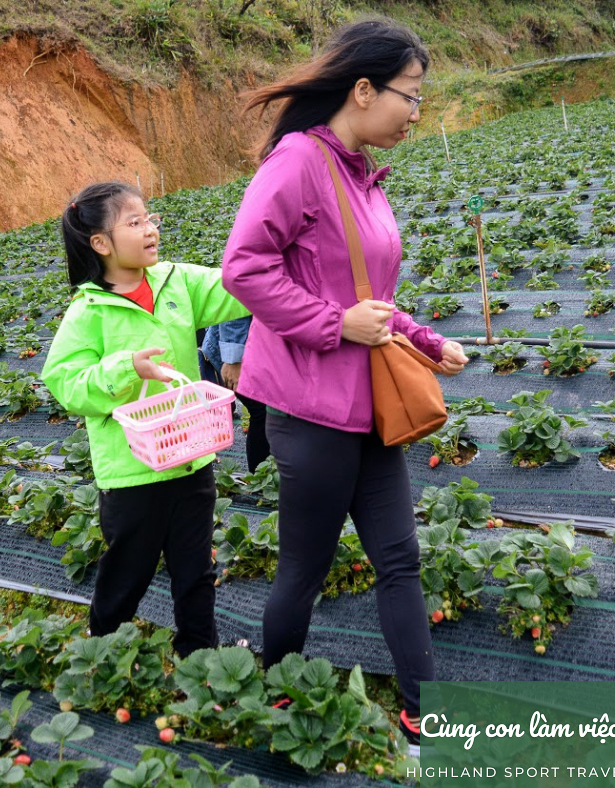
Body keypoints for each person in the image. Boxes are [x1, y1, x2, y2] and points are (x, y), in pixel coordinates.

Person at [220, 19, 468, 754]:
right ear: (364, 90)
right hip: (308, 407)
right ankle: (282, 692)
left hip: (368, 408)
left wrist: (425, 340)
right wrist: (333, 325)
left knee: (399, 558)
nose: (416, 113)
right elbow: (244, 268)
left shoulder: (360, 173)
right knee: (305, 567)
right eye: (410, 96)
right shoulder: (299, 162)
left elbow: (371, 294)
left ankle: (426, 723)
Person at [42, 181, 249, 656]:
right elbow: (65, 382)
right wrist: (126, 368)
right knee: (127, 572)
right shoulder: (88, 311)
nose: (151, 229)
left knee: (196, 568)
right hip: (132, 472)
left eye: (150, 219)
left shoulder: (177, 281)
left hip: (191, 457)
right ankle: (101, 650)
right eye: (134, 222)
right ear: (101, 243)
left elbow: (235, 289)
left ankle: (199, 657)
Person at [199, 317, 271, 472]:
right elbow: (234, 310)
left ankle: (262, 478)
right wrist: (233, 359)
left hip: (256, 346)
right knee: (263, 412)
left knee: (265, 413)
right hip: (239, 353)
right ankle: (260, 479)